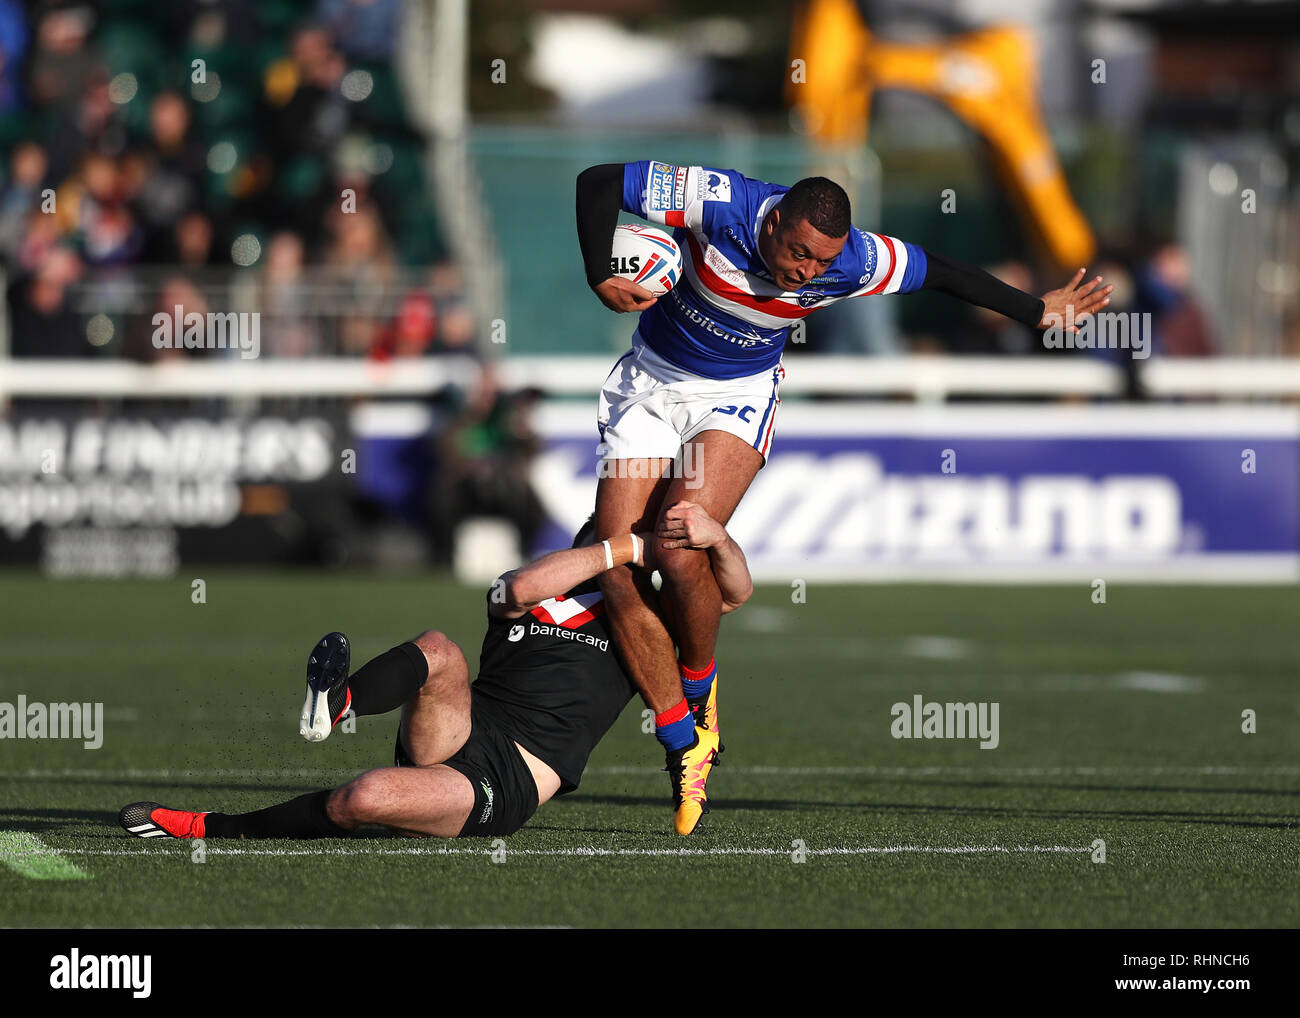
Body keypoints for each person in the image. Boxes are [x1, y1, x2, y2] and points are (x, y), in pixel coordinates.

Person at [574, 160, 1114, 830]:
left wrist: (1038, 310)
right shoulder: (716, 202)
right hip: (650, 384)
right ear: (771, 222)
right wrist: (601, 269)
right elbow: (599, 182)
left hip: (735, 398)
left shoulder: (854, 262)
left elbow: (943, 270)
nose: (806, 272)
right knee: (618, 568)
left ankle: (699, 687)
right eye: (797, 253)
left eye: (819, 260)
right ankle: (684, 740)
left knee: (682, 550)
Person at [119, 503, 752, 841]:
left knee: (359, 799)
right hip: (461, 728)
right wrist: (620, 546)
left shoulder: (649, 620)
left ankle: (206, 825)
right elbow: (523, 584)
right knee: (439, 649)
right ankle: (338, 703)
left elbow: (733, 593)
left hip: (511, 779)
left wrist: (714, 538)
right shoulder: (539, 588)